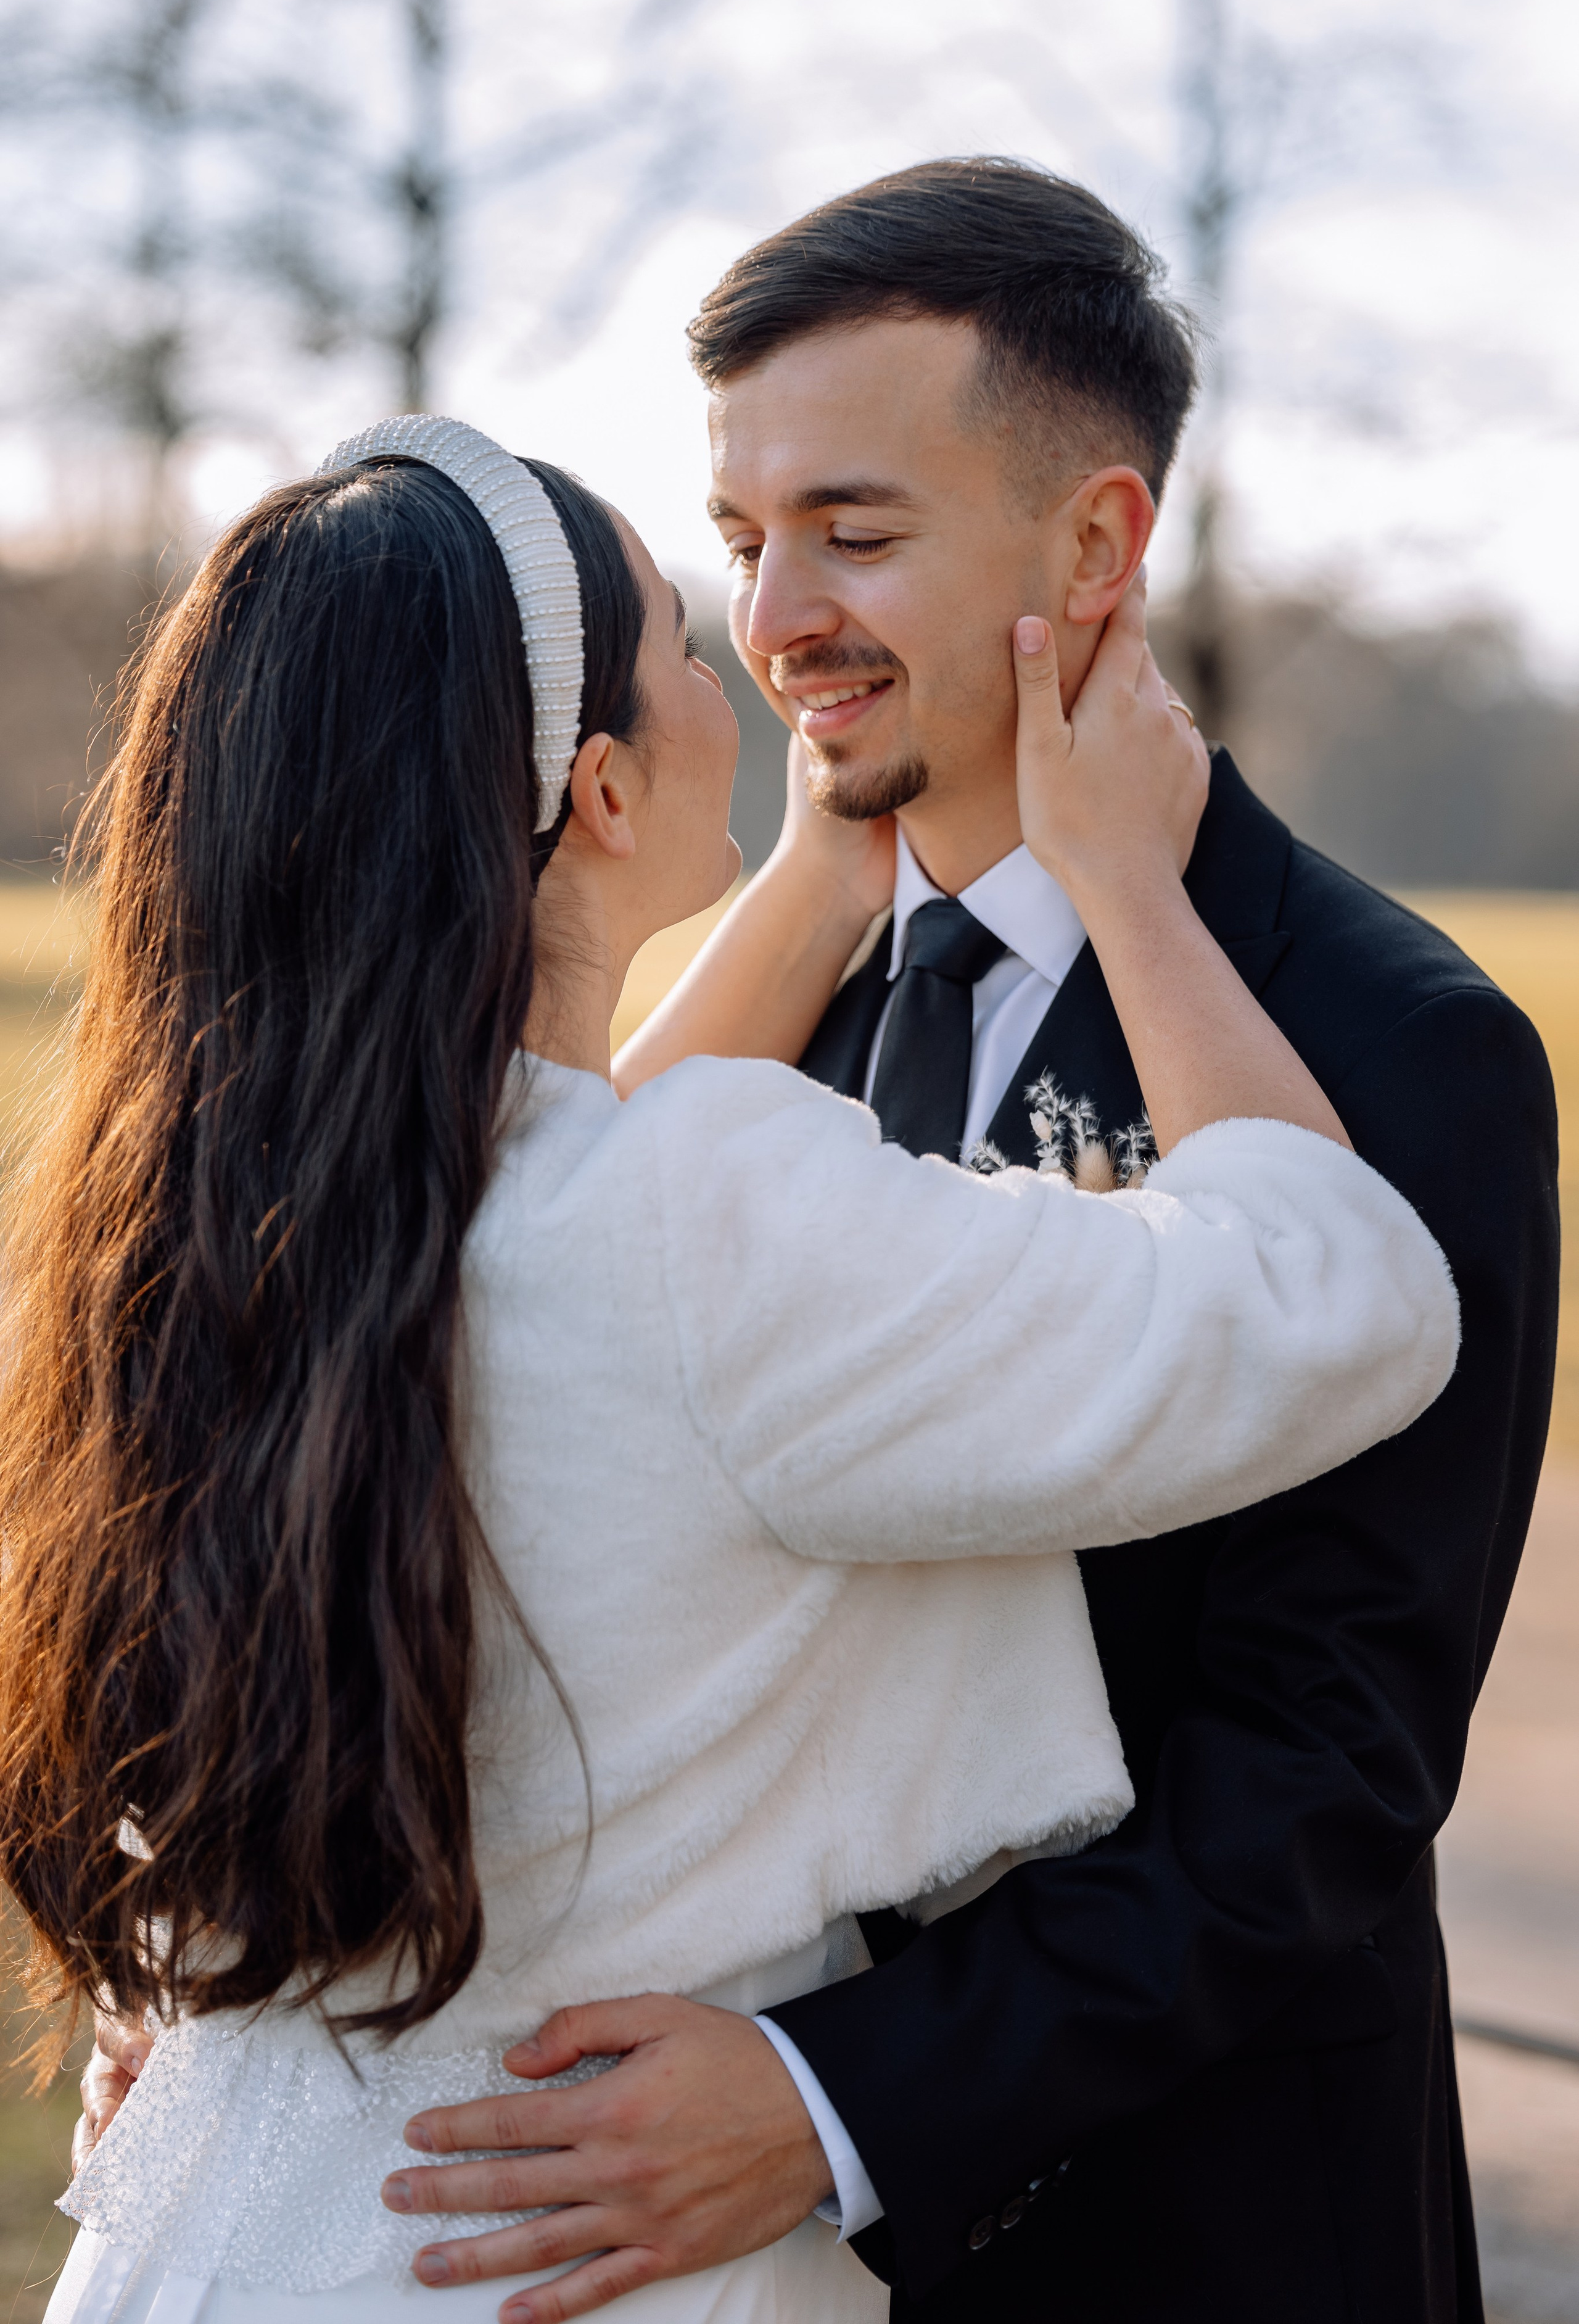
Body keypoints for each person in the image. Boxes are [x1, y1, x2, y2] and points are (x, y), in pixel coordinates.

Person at [10, 402, 1455, 2324]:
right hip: (576, 2262)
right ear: (603, 790)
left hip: (207, 2239)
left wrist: (806, 888)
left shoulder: (173, 1237)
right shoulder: (696, 1218)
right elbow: (1342, 1289)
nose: (766, 646)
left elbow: (575, 1248)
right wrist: (1127, 877)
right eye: (694, 622)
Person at [318, 165, 1560, 2323]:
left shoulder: (1395, 1039)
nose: (775, 614)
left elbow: (1326, 1772)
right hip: (671, 2226)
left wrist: (828, 2099)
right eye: (742, 544)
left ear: (1092, 548)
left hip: (1195, 2235)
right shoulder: (731, 1011)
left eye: (856, 533)